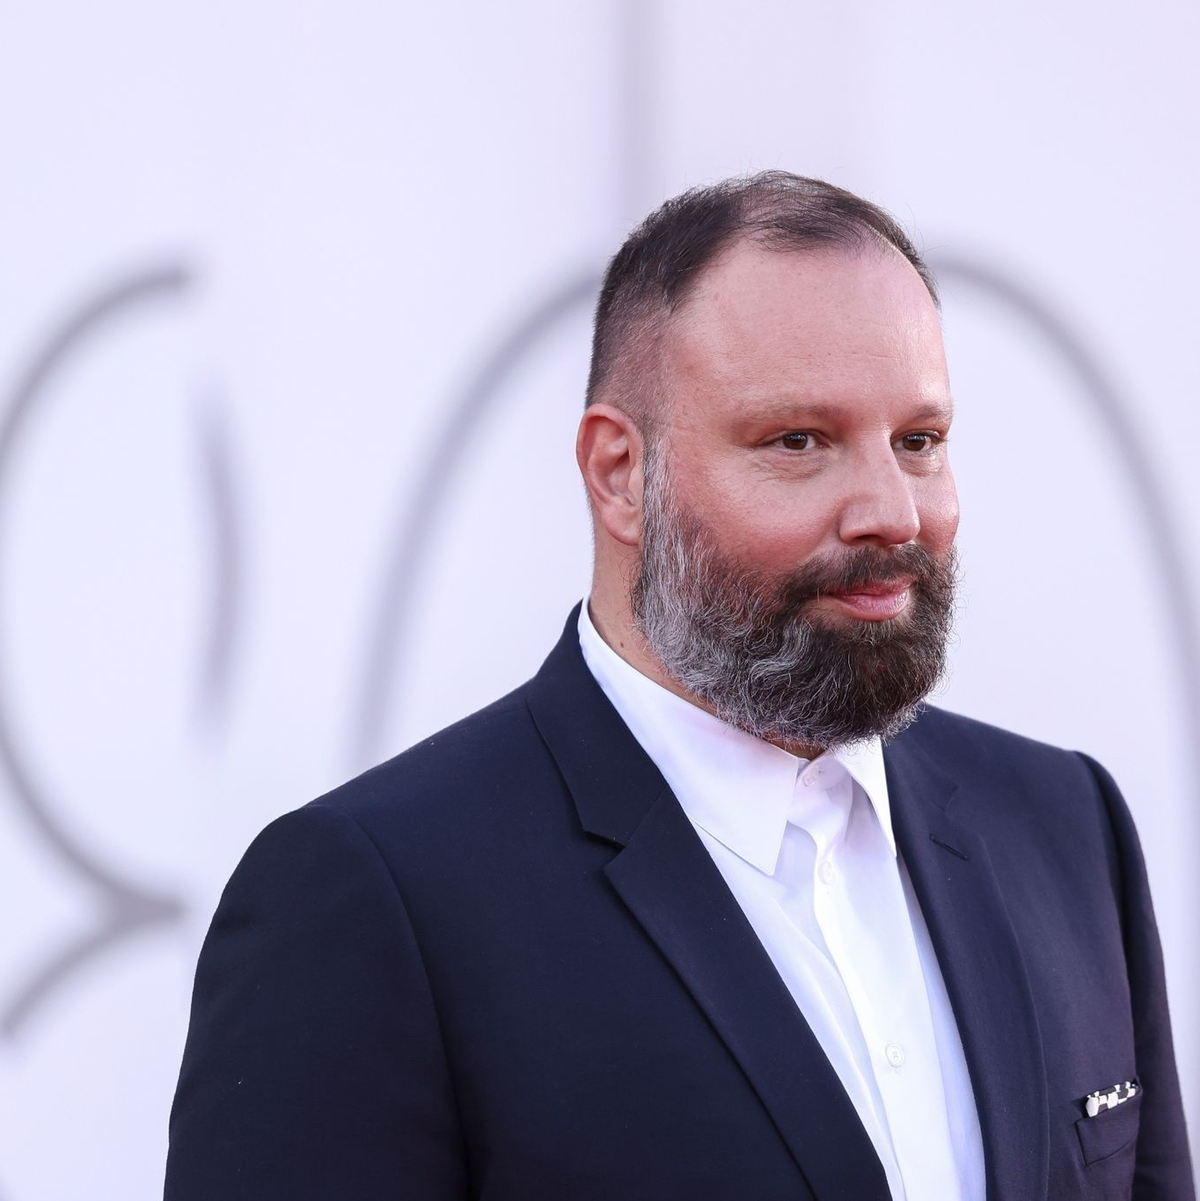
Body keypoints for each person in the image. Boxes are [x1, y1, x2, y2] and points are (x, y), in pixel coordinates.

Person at [163, 172, 1193, 1200]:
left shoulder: (1065, 825)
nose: (892, 511)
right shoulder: (377, 902)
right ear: (621, 472)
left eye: (917, 441)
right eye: (799, 441)